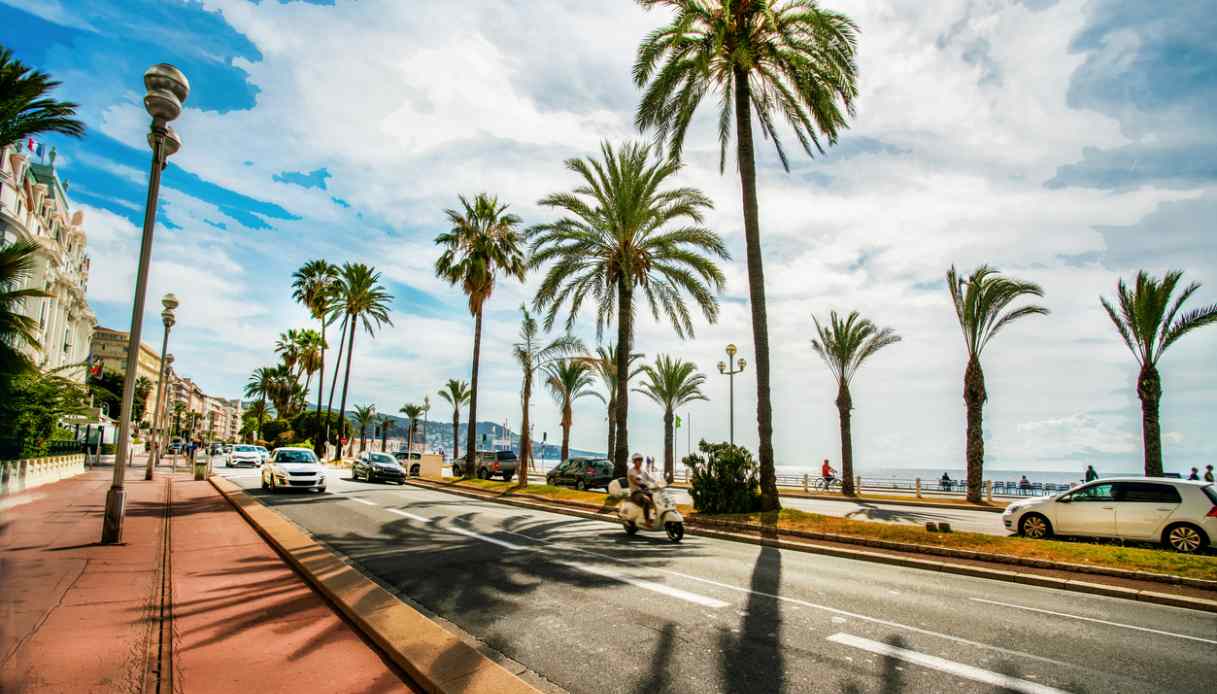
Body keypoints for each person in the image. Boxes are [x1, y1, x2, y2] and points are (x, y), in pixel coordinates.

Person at [627, 452, 656, 524]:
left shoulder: (643, 471)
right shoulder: (631, 471)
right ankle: (647, 520)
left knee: (657, 497)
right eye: (637, 460)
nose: (639, 462)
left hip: (644, 491)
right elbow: (633, 480)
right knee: (646, 500)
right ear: (634, 461)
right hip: (636, 493)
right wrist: (641, 484)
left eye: (640, 460)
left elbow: (651, 479)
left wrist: (659, 482)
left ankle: (656, 515)